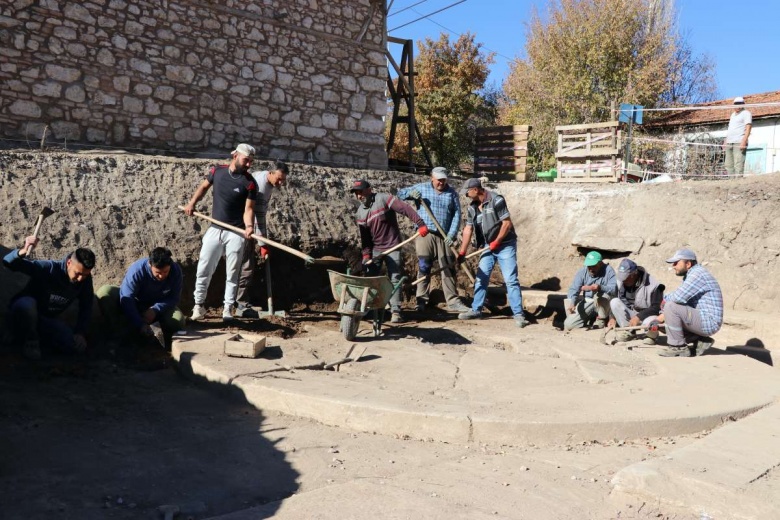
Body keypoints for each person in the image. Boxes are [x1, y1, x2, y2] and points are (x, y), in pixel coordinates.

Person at [183, 143, 257, 322]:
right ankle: (198, 306)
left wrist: (248, 227)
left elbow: (248, 209)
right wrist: (192, 204)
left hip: (236, 233)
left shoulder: (250, 183)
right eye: (246, 160)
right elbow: (203, 188)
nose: (248, 165)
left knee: (232, 272)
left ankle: (227, 310)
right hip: (215, 229)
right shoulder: (218, 172)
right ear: (235, 156)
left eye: (251, 162)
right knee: (204, 268)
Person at [2, 236, 95, 360]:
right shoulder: (48, 269)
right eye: (78, 273)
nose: (80, 279)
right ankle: (29, 340)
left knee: (73, 346)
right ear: (69, 263)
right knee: (27, 305)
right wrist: (23, 250)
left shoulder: (85, 280)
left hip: (45, 320)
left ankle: (32, 338)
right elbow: (8, 263)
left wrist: (80, 332)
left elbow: (86, 306)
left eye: (85, 275)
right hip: (23, 312)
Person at [350, 179, 429, 323]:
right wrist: (366, 254)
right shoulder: (360, 213)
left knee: (395, 277)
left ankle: (395, 310)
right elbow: (365, 238)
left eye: (361, 192)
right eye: (356, 193)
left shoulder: (384, 199)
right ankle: (371, 308)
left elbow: (405, 208)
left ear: (369, 189)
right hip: (376, 250)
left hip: (393, 246)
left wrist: (420, 223)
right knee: (371, 277)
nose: (359, 196)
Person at [456, 178, 528, 328]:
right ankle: (476, 310)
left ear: (476, 190)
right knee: (481, 277)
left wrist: (498, 241)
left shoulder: (496, 200)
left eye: (467, 192)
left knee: (511, 280)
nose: (466, 195)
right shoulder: (472, 208)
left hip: (506, 245)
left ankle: (519, 314)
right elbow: (468, 229)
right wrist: (462, 251)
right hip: (488, 245)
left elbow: (507, 223)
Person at [397, 167, 470, 313]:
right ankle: (421, 300)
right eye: (439, 180)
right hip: (425, 233)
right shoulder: (422, 188)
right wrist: (410, 194)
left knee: (448, 267)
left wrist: (452, 234)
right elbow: (400, 194)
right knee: (424, 266)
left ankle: (452, 301)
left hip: (444, 236)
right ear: (432, 178)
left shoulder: (452, 193)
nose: (441, 183)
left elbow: (456, 215)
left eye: (444, 180)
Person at [96, 247, 184, 346]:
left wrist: (155, 309)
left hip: (160, 307)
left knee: (178, 321)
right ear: (150, 265)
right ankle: (119, 330)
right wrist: (140, 323)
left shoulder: (175, 271)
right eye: (158, 273)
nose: (162, 276)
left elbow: (174, 298)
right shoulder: (137, 271)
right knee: (106, 291)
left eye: (165, 272)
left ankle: (157, 334)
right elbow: (126, 299)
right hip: (136, 304)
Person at [235, 160, 289, 318]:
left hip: (249, 226)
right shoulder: (260, 186)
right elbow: (257, 215)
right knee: (247, 266)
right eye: (279, 178)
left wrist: (261, 240)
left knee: (246, 266)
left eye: (283, 180)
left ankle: (241, 303)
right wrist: (263, 243)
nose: (281, 182)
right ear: (270, 172)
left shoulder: (267, 182)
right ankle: (241, 306)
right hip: (244, 227)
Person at [657, 249, 723, 358]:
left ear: (688, 264)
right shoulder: (691, 275)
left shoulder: (697, 274)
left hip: (709, 321)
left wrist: (663, 306)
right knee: (665, 318)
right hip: (701, 318)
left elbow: (677, 298)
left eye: (676, 263)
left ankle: (678, 347)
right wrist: (661, 301)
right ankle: (699, 340)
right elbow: (678, 295)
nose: (673, 266)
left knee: (671, 307)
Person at [608, 258, 664, 343]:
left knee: (650, 321)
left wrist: (639, 317)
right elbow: (618, 299)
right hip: (632, 313)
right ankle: (629, 331)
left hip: (648, 315)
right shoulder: (621, 282)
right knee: (614, 302)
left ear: (634, 274)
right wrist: (612, 318)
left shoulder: (654, 285)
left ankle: (651, 336)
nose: (623, 280)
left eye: (626, 277)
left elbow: (656, 308)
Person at [563, 251, 617, 330]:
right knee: (569, 325)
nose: (591, 269)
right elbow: (574, 289)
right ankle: (586, 320)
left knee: (600, 296)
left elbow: (614, 290)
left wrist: (600, 287)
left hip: (604, 303)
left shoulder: (609, 271)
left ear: (600, 263)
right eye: (589, 266)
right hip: (589, 302)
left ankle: (601, 320)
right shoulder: (582, 272)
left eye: (594, 266)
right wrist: (572, 303)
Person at [723, 96, 752, 175]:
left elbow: (748, 128)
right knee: (728, 164)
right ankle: (731, 183)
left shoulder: (746, 113)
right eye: (736, 104)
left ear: (743, 104)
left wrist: (744, 140)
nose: (738, 106)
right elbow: (730, 128)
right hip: (729, 142)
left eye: (740, 104)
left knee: (738, 164)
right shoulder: (732, 115)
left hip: (739, 142)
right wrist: (726, 140)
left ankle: (738, 183)